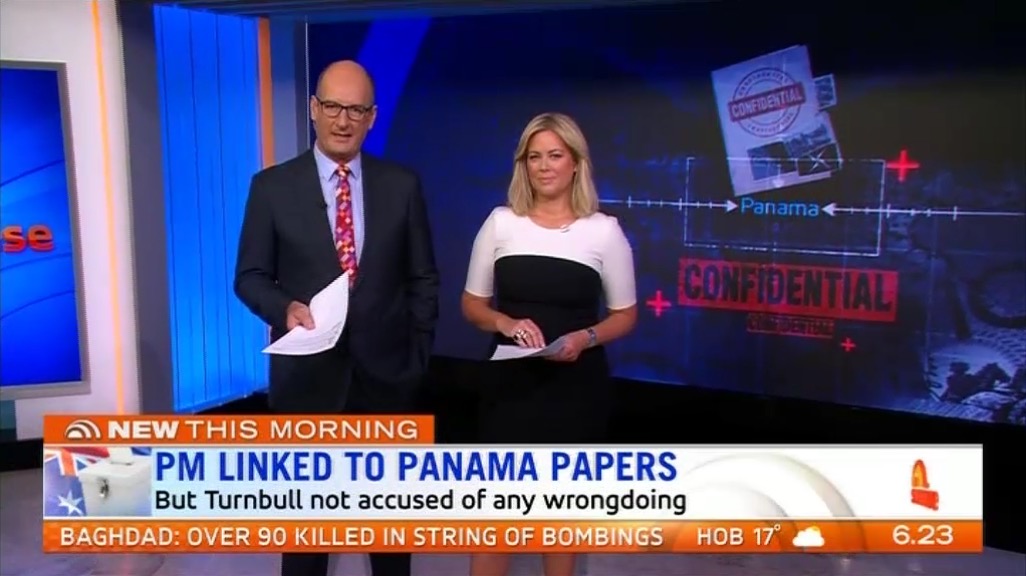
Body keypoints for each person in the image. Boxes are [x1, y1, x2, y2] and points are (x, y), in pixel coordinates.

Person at [233, 60, 439, 576]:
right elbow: (250, 277)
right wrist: (284, 308)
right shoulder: (271, 187)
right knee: (307, 545)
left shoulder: (402, 185)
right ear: (313, 109)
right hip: (307, 386)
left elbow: (423, 278)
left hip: (388, 384)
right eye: (331, 106)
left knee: (390, 544)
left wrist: (415, 358)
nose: (342, 120)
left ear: (372, 117)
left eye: (355, 109)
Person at [460, 112, 638, 576]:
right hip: (509, 388)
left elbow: (625, 315)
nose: (544, 166)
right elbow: (472, 304)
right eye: (534, 157)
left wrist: (585, 337)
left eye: (555, 155)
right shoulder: (500, 223)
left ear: (576, 163)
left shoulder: (604, 231)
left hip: (574, 390)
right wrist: (504, 321)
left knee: (559, 522)